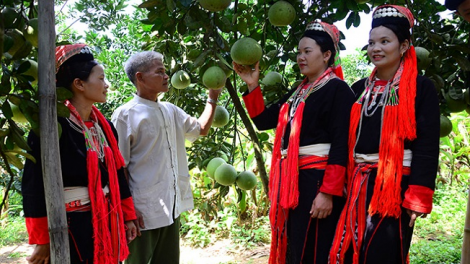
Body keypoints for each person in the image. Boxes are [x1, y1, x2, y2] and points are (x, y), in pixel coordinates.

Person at [233, 21, 355, 264]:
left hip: (318, 181)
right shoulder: (299, 90)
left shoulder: (338, 90)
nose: (301, 57)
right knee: (298, 247)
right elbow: (264, 120)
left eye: (307, 52)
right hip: (294, 183)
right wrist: (252, 84)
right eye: (299, 52)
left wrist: (328, 193)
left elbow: (342, 144)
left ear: (327, 55)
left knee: (318, 248)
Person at [329, 5, 440, 264]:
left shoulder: (421, 89)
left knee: (383, 254)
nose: (375, 48)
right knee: (348, 251)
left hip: (394, 187)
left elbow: (427, 145)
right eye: (371, 43)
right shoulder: (358, 90)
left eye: (384, 41)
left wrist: (418, 196)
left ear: (403, 46)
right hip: (356, 183)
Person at [22, 44, 137, 264]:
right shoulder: (51, 128)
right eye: (101, 78)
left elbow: (117, 173)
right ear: (79, 84)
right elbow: (33, 183)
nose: (106, 85)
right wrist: (42, 239)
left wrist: (127, 216)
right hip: (69, 225)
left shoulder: (104, 128)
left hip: (106, 217)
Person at [111, 51, 222, 264]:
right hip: (142, 211)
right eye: (159, 71)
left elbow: (201, 129)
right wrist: (128, 210)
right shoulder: (126, 114)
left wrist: (213, 97)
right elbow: (119, 167)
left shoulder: (170, 110)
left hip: (171, 206)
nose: (166, 76)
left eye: (165, 71)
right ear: (140, 77)